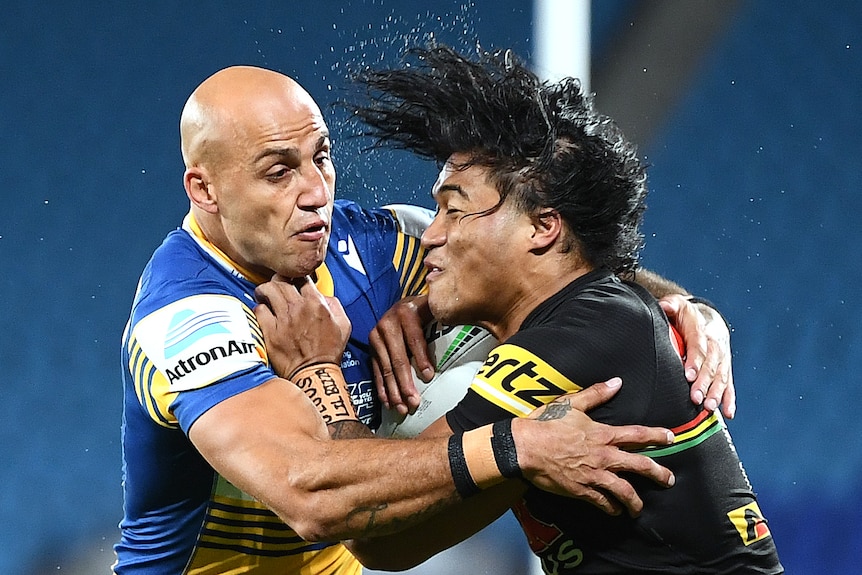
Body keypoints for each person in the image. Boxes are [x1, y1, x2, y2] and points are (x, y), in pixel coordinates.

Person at [114, 64, 732, 574]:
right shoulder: (190, 319)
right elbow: (310, 494)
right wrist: (517, 443)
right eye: (279, 171)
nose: (315, 192)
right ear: (205, 190)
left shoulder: (372, 249)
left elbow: (549, 269)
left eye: (321, 157)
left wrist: (678, 302)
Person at [324, 46, 782, 573]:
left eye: (454, 209)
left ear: (543, 228)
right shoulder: (586, 337)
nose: (431, 234)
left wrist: (318, 368)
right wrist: (432, 306)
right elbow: (386, 546)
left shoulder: (586, 336)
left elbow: (362, 508)